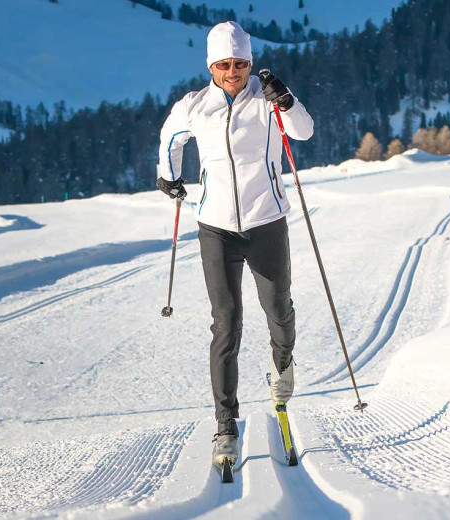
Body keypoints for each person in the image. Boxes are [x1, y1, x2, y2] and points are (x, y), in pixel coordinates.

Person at [155, 21, 314, 466]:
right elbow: (170, 139)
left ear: (249, 62)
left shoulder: (267, 103)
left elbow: (303, 131)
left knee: (278, 309)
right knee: (226, 325)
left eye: (240, 62)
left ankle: (282, 370)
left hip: (267, 222)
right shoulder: (194, 106)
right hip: (216, 227)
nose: (233, 71)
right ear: (211, 65)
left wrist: (287, 100)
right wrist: (168, 176)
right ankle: (226, 426)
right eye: (224, 64)